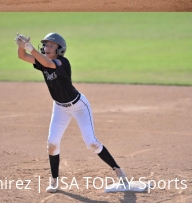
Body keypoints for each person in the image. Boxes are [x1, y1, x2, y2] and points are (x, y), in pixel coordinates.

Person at [15, 32, 127, 193]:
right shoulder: (42, 61)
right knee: (52, 143)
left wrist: (31, 48)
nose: (47, 47)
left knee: (92, 143)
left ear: (60, 50)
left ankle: (118, 171)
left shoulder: (62, 62)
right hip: (60, 107)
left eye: (51, 45)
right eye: (46, 44)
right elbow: (23, 57)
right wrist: (21, 46)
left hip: (79, 106)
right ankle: (54, 181)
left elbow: (47, 62)